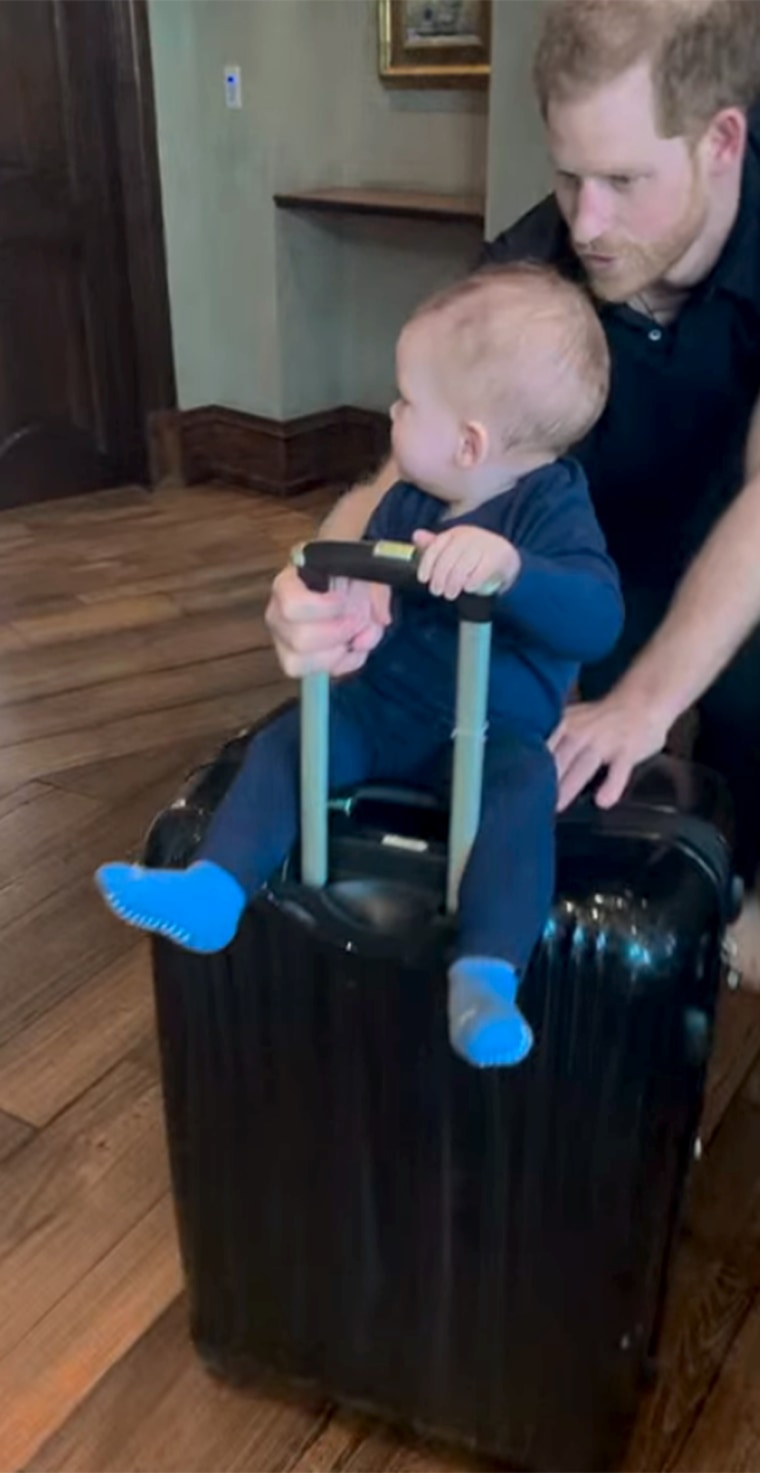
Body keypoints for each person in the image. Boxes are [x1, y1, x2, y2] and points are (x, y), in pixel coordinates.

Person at [265, 0, 760, 986]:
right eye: (569, 174)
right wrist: (317, 582)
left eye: (623, 180)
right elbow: (401, 474)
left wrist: (644, 705)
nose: (589, 223)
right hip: (577, 569)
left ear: (721, 141)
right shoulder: (526, 269)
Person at [95, 265, 622, 1069]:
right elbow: (363, 564)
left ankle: (485, 976)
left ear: (470, 441)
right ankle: (215, 887)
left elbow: (596, 615)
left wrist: (512, 568)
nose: (391, 413)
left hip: (493, 733)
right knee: (288, 741)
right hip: (384, 708)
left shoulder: (551, 509)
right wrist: (351, 581)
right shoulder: (413, 493)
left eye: (407, 401)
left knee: (523, 800)